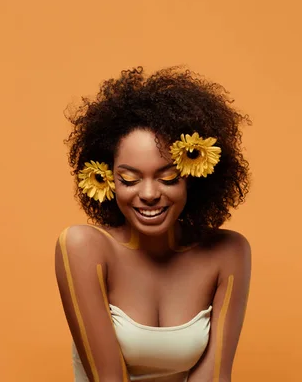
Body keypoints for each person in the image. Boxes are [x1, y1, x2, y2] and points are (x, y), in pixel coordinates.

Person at [55, 66, 252, 382]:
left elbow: (215, 378)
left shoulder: (228, 252)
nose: (148, 194)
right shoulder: (83, 246)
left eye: (168, 177)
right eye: (129, 179)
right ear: (107, 179)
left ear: (194, 177)